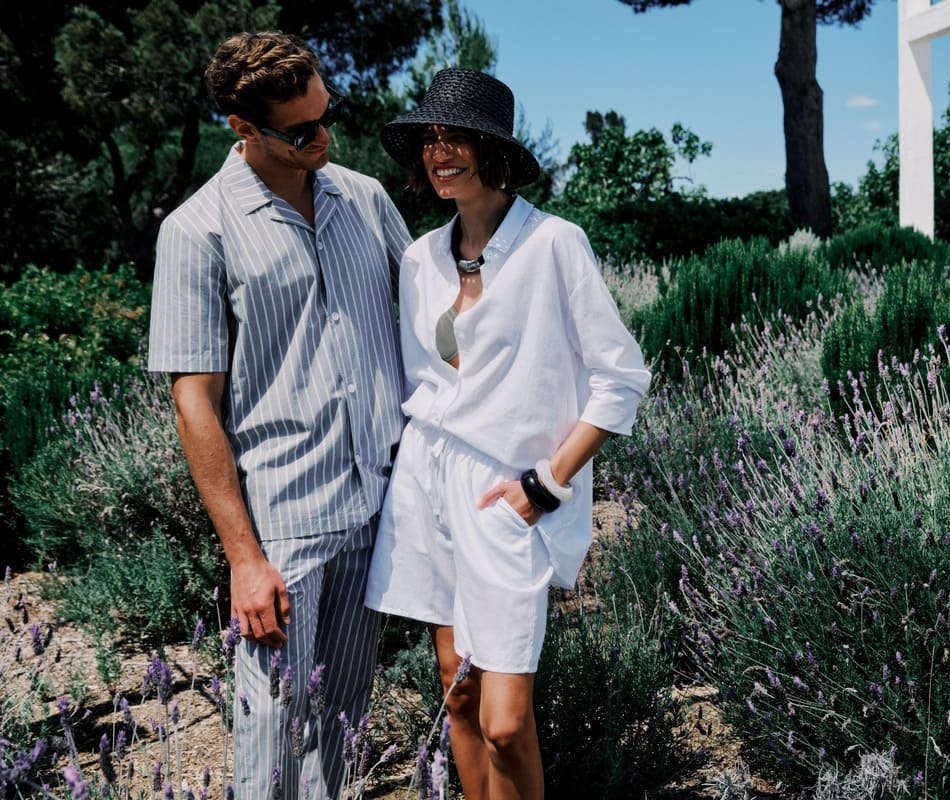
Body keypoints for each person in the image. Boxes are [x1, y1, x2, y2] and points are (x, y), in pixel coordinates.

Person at [364, 68, 651, 800]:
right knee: (458, 693)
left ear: (493, 150)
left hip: (508, 494)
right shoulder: (418, 258)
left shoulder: (554, 244)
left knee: (505, 721)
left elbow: (622, 377)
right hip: (427, 481)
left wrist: (546, 484)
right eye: (429, 140)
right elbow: (422, 383)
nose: (439, 153)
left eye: (456, 138)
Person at [147, 31, 411, 799]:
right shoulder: (196, 230)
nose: (324, 137)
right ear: (244, 128)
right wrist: (244, 560)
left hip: (380, 506)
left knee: (344, 729)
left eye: (329, 114)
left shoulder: (365, 199)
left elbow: (437, 313)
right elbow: (194, 403)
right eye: (301, 131)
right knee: (273, 744)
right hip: (283, 527)